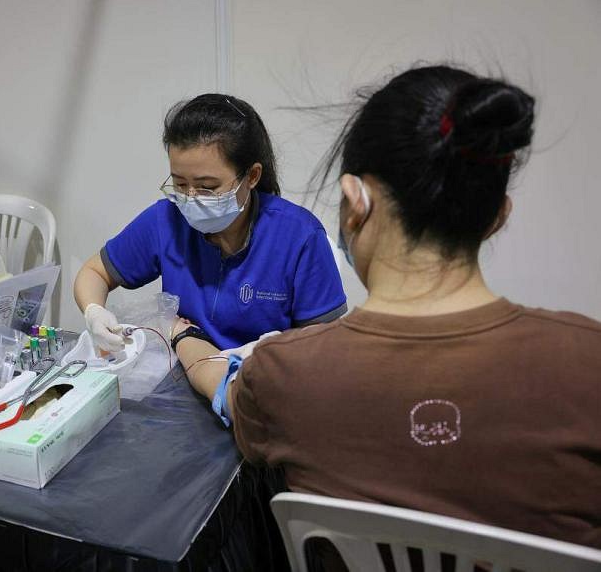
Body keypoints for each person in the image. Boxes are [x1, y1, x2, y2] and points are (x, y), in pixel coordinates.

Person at [189, 66, 601, 550]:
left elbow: (225, 391)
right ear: (497, 216)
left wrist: (183, 339)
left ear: (353, 205)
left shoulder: (284, 373)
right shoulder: (586, 362)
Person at [73, 94, 346, 354]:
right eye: (180, 183)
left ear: (251, 176)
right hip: (185, 373)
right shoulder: (165, 221)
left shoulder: (299, 237)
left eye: (206, 187)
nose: (190, 197)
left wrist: (274, 353)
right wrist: (94, 311)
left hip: (266, 381)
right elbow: (94, 272)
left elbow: (325, 343)